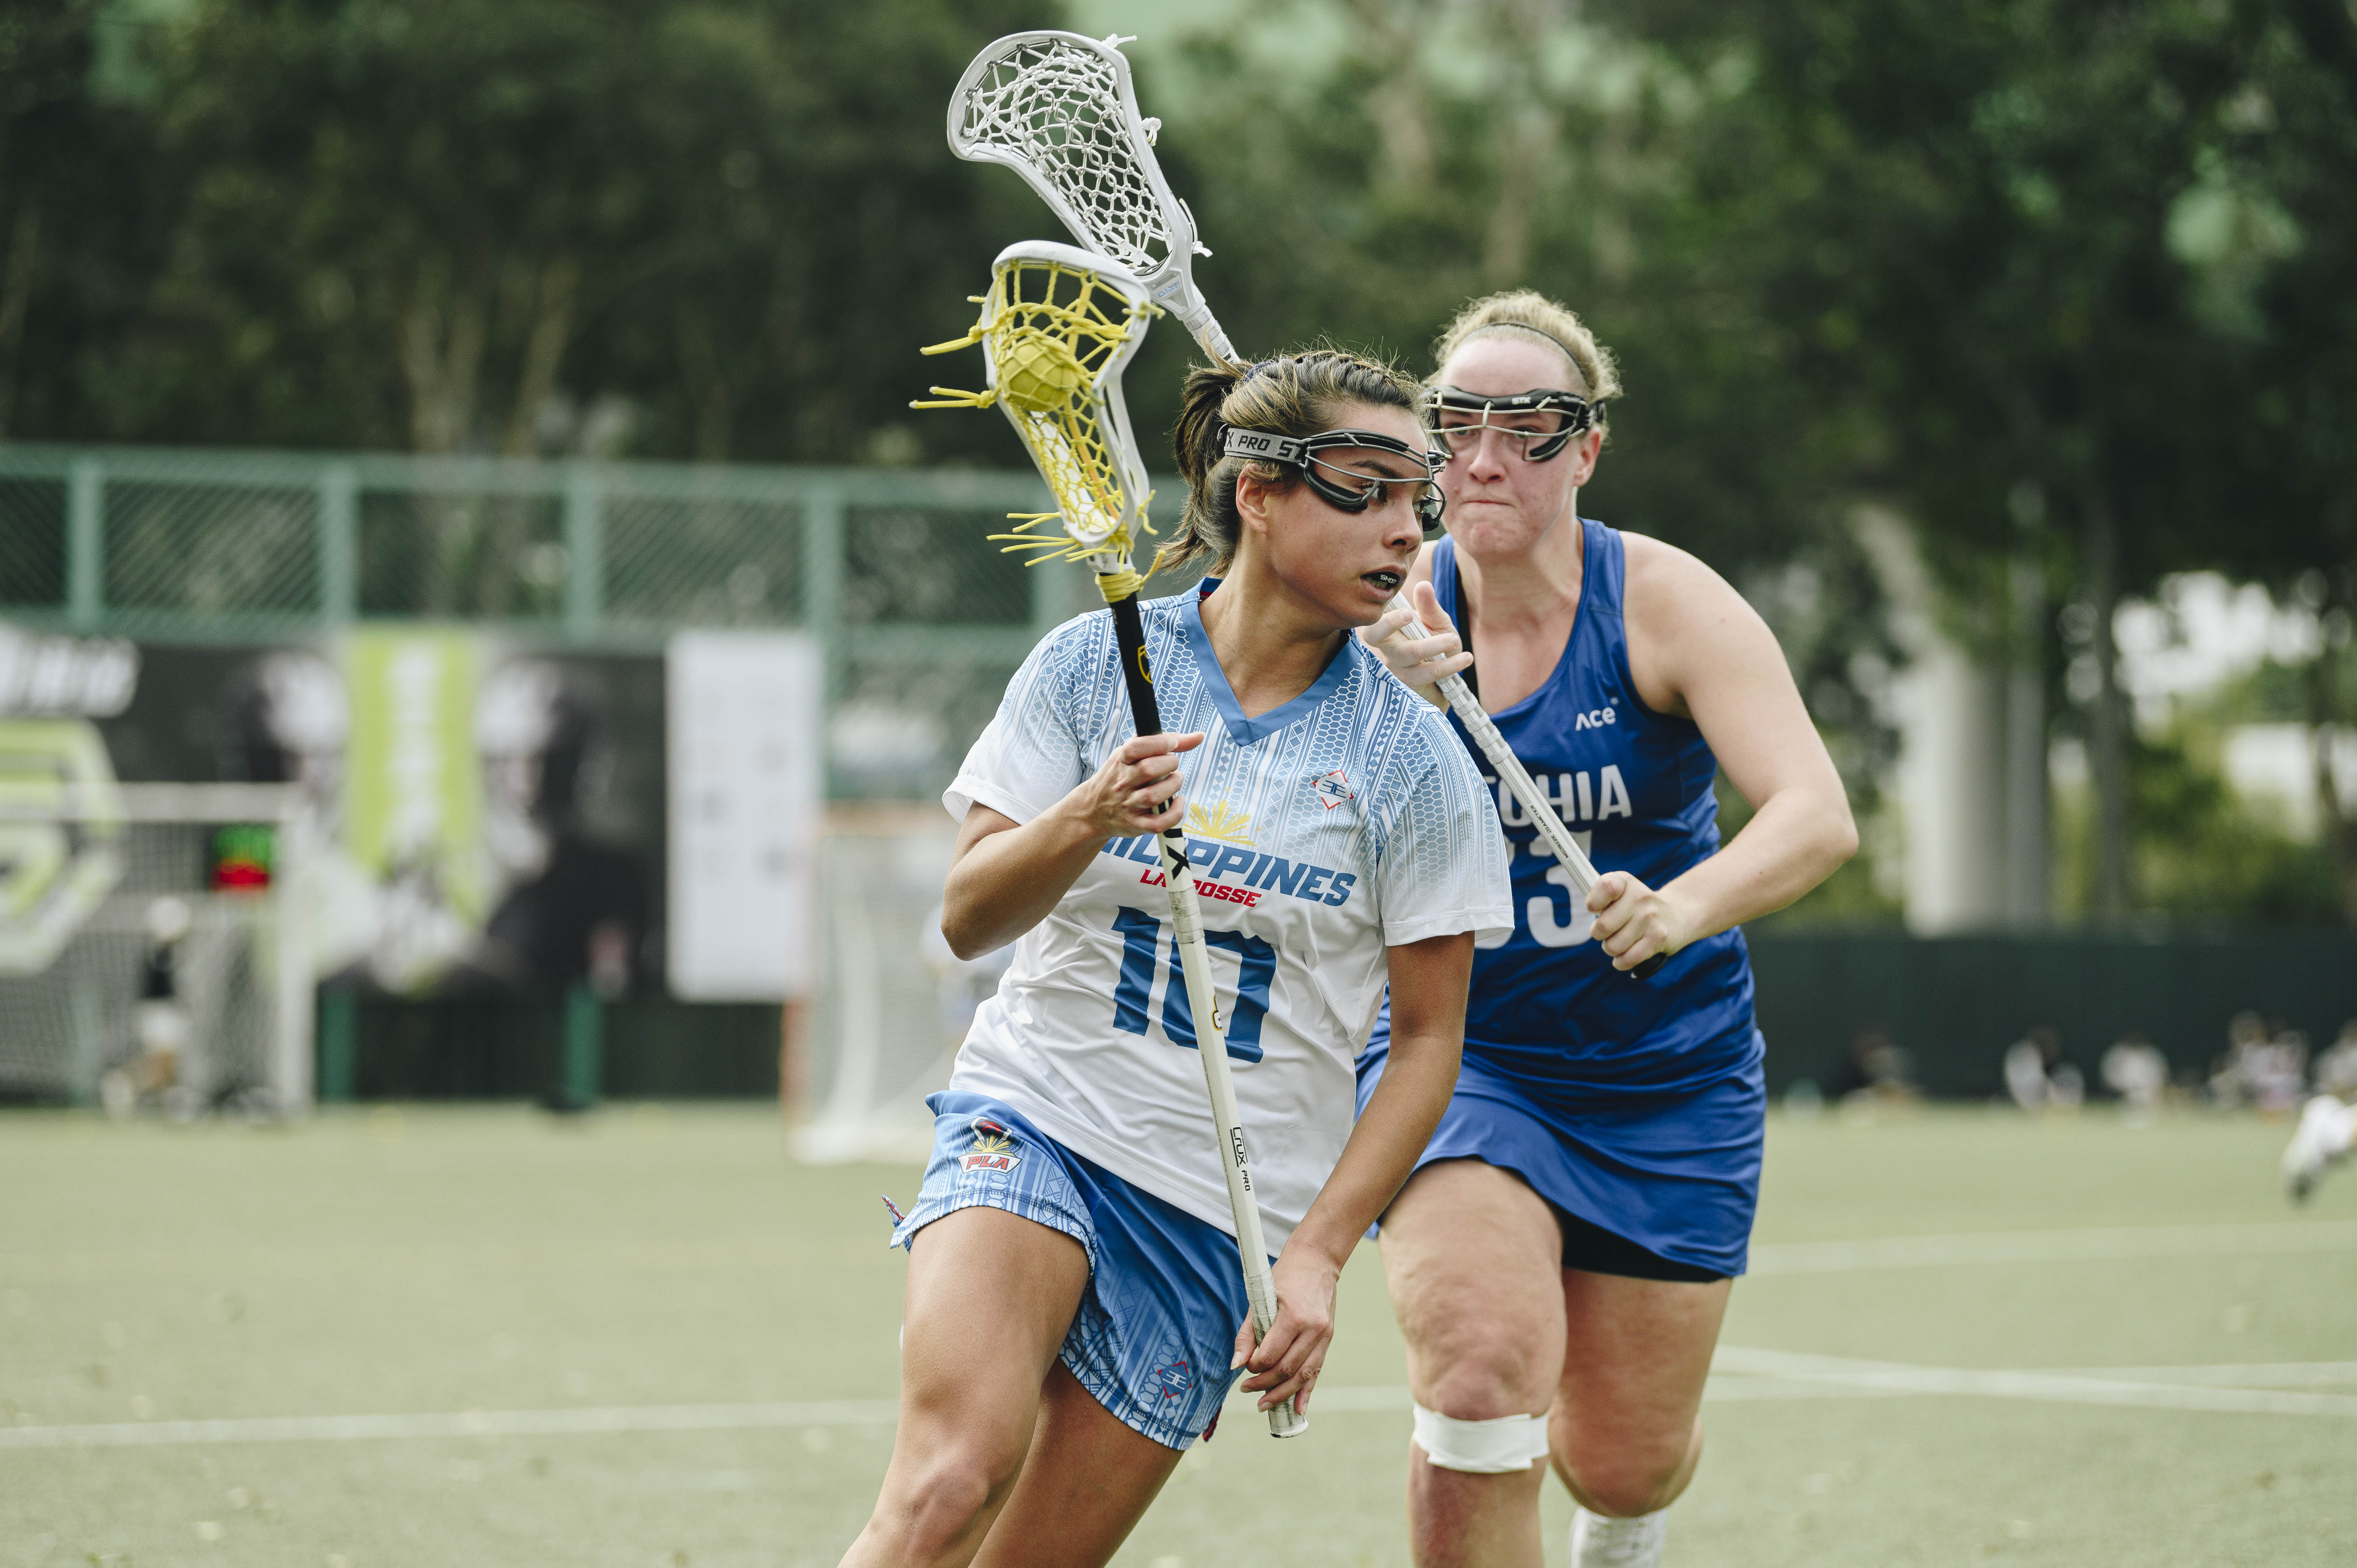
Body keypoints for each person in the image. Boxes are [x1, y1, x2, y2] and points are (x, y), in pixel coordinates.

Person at [837, 350, 1514, 1568]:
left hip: (1218, 1214)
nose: (1405, 531)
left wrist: (1317, 1256)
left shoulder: (1413, 762)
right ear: (1260, 494)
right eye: (1366, 489)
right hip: (1039, 1118)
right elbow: (967, 918)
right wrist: (1086, 817)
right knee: (947, 1485)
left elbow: (1428, 1042)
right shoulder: (1091, 666)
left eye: (1416, 499)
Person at [1355, 291, 1857, 1568]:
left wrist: (1682, 907)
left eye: (1529, 429)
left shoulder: (1665, 603)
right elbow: (1286, 810)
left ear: (1585, 449)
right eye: (1458, 424)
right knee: (1477, 1372)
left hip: (1664, 1074)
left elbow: (1816, 816)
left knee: (1621, 1460)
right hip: (1460, 1056)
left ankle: (1626, 1525)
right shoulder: (1383, 614)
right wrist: (1379, 704)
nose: (1485, 458)